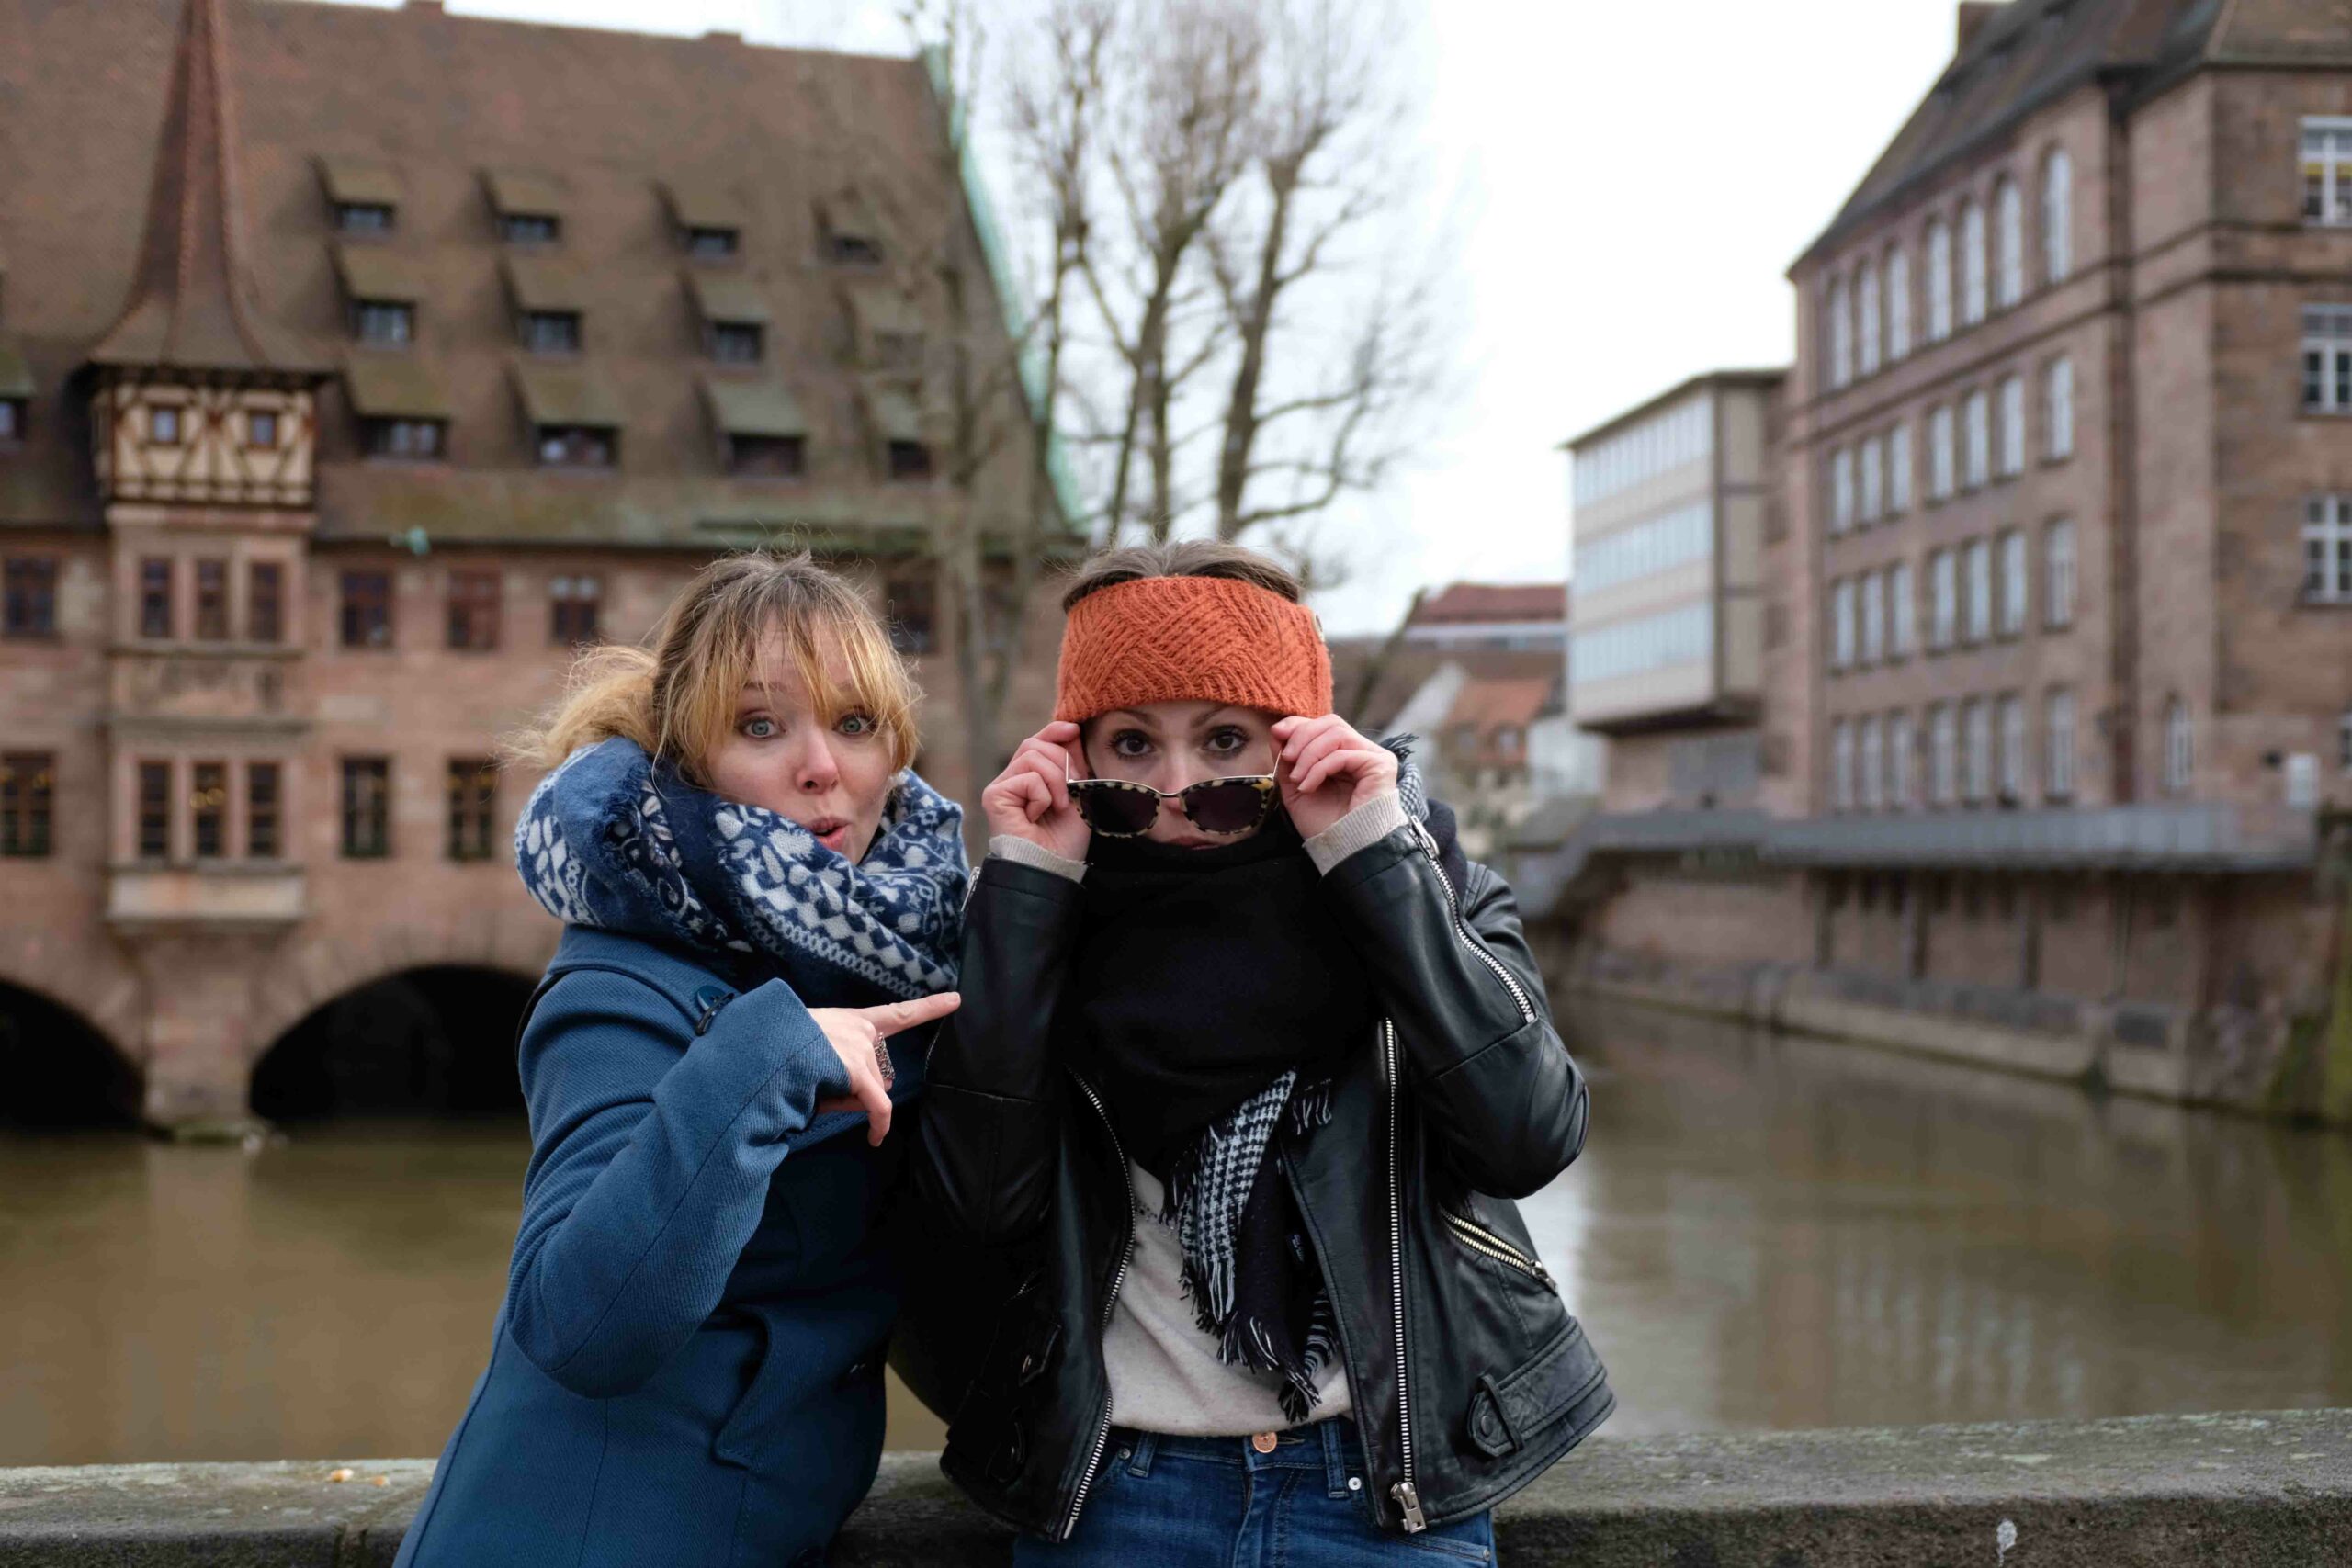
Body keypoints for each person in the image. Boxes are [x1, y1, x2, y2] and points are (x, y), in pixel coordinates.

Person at [911, 541, 1612, 1565]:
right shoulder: (1029, 915)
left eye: (1226, 739)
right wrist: (1023, 892)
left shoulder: (1428, 886)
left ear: (1297, 741)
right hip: (1117, 1494)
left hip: (1380, 1496)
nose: (1180, 786)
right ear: (1079, 754)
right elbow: (982, 1204)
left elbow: (1526, 1138)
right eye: (1134, 746)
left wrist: (1373, 863)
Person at [392, 552, 967, 1568]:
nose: (821, 767)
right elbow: (580, 1328)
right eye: (760, 726)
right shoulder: (624, 983)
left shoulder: (912, 952)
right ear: (687, 758)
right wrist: (766, 1058)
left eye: (854, 722)